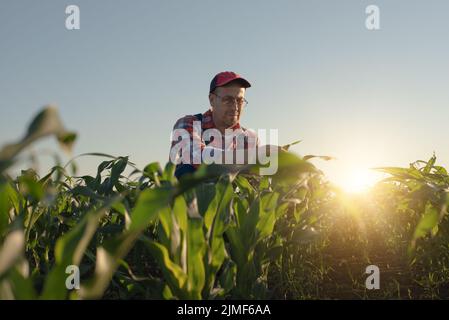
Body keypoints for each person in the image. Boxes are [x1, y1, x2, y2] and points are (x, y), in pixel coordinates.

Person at [170, 71, 258, 179]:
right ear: (212, 100)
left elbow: (255, 184)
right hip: (189, 195)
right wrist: (253, 156)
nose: (235, 107)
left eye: (239, 101)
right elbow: (196, 156)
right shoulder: (188, 124)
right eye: (228, 100)